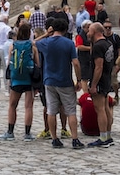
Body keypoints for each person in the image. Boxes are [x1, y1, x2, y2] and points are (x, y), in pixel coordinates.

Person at [35, 14, 85, 150]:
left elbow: (33, 43)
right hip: (65, 80)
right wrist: (79, 80)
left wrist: (46, 34)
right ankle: (75, 139)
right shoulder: (68, 43)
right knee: (70, 111)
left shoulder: (46, 42)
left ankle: (54, 139)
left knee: (51, 111)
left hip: (49, 80)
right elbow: (75, 63)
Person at [0, 19, 38, 141]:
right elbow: (37, 63)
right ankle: (27, 133)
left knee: (12, 105)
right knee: (28, 107)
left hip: (16, 79)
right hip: (28, 79)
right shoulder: (32, 46)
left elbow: (9, 62)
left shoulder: (13, 45)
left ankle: (10, 132)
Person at [86, 21, 115, 147]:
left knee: (100, 109)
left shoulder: (98, 46)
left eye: (90, 30)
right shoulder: (108, 43)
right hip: (107, 79)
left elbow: (98, 67)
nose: (88, 32)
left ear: (96, 32)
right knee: (106, 108)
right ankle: (108, 135)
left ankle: (103, 138)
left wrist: (93, 85)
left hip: (99, 80)